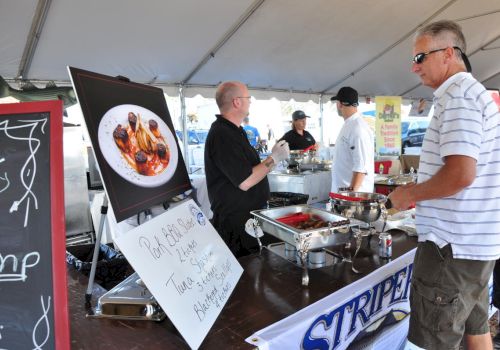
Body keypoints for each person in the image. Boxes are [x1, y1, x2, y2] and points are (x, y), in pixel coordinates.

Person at [388, 20, 500, 350]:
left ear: (448, 53)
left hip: (449, 250)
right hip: (474, 246)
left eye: (420, 57)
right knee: (475, 327)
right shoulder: (475, 94)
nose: (414, 67)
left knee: (431, 341)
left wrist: (407, 194)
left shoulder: (458, 97)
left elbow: (460, 174)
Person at [204, 81, 289, 258]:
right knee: (247, 275)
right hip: (236, 225)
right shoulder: (222, 134)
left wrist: (273, 160)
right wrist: (274, 158)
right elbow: (245, 180)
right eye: (248, 98)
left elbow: (249, 170)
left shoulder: (235, 131)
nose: (250, 101)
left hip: (248, 219)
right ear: (237, 102)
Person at [330, 86, 374, 192]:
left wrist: (350, 196)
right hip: (344, 196)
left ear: (340, 104)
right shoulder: (350, 124)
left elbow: (361, 168)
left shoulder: (358, 128)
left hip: (354, 199)